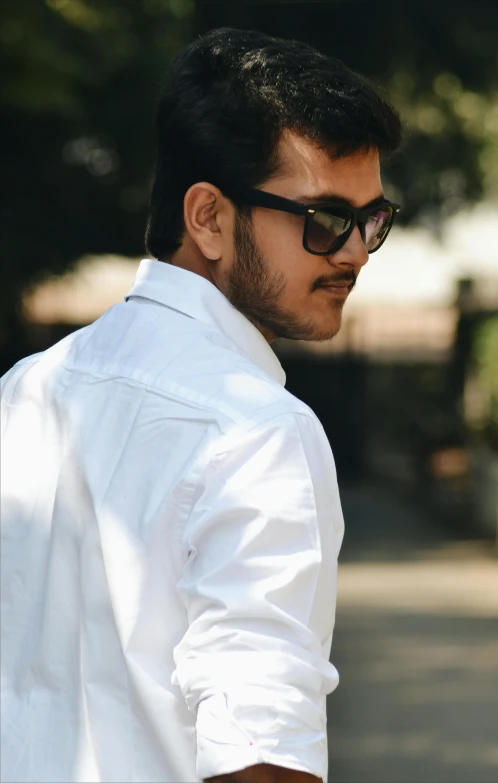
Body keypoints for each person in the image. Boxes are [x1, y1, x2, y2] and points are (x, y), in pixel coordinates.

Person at [0, 27, 401, 783]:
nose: (353, 251)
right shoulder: (259, 433)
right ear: (209, 217)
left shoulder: (26, 390)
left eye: (372, 220)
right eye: (324, 220)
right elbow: (260, 756)